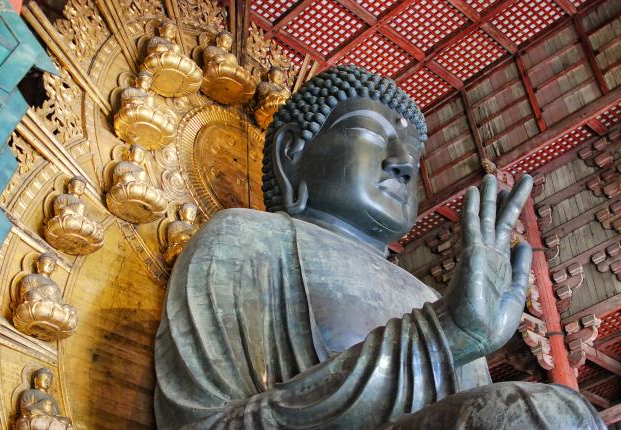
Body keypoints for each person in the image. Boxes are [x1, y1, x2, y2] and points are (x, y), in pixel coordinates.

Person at [154, 65, 604, 429]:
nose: (404, 164)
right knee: (529, 415)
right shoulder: (247, 239)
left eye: (412, 153)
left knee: (554, 412)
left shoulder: (430, 299)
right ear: (292, 152)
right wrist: (443, 336)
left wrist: (454, 336)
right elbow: (201, 424)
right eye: (371, 134)